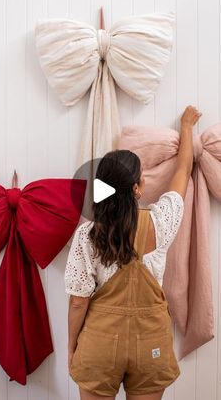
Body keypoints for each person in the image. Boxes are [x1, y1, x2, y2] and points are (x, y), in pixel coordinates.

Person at [64, 105, 202, 400]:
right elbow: (183, 169)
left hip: (99, 344)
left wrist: (72, 346)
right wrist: (187, 127)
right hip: (150, 343)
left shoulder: (87, 234)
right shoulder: (162, 221)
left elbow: (78, 301)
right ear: (138, 187)